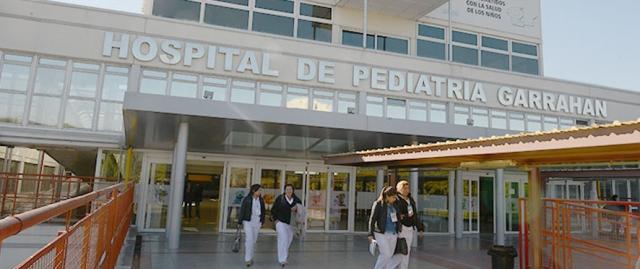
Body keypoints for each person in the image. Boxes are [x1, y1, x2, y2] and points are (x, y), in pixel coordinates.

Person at [368, 186, 401, 269]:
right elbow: (372, 219)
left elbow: (397, 217)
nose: (395, 199)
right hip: (381, 233)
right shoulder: (378, 204)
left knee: (389, 255)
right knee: (385, 254)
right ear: (387, 196)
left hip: (393, 233)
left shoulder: (395, 205)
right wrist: (370, 234)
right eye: (393, 197)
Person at [394, 181, 425, 269]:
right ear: (399, 189)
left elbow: (414, 214)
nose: (407, 190)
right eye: (405, 188)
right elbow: (397, 214)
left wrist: (420, 228)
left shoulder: (410, 200)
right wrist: (404, 216)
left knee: (406, 251)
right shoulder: (396, 199)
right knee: (400, 250)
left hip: (410, 228)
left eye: (408, 188)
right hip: (401, 228)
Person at [271, 184, 302, 267]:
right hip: (280, 222)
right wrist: (275, 220)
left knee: (289, 239)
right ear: (284, 190)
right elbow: (273, 209)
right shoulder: (280, 199)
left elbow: (301, 210)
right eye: (287, 189)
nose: (289, 191)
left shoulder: (296, 199)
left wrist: (297, 208)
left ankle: (284, 252)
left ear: (293, 190)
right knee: (283, 238)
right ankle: (282, 259)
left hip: (291, 223)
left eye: (291, 189)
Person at [238, 184, 266, 267]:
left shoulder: (261, 200)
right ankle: (247, 259)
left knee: (253, 240)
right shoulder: (247, 199)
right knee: (249, 239)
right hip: (248, 221)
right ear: (254, 190)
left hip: (257, 222)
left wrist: (262, 221)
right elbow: (242, 210)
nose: (260, 192)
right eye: (259, 190)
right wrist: (239, 222)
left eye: (261, 190)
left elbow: (263, 211)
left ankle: (250, 257)